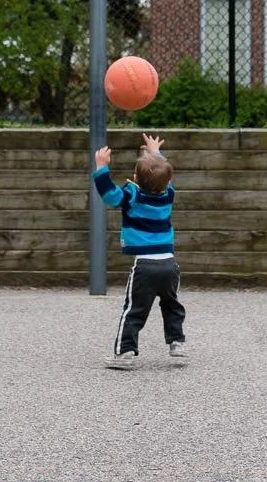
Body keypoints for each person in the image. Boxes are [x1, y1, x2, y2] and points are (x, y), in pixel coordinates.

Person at [92, 133, 187, 370]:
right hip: (170, 264)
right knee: (171, 303)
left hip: (145, 265)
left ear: (135, 178)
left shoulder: (132, 196)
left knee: (134, 309)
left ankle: (125, 353)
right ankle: (176, 341)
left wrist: (101, 167)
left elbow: (109, 195)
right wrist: (155, 153)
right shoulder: (168, 195)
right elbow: (163, 176)